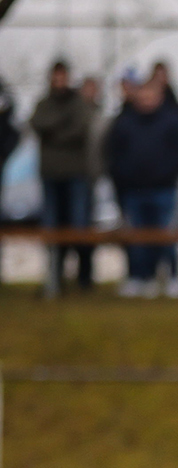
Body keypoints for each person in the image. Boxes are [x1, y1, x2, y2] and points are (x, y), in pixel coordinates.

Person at [105, 74, 178, 297]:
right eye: (142, 96)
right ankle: (140, 278)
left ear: (159, 96)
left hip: (164, 188)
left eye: (150, 95)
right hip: (133, 190)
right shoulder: (124, 121)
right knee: (136, 238)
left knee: (167, 235)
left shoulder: (172, 119)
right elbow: (113, 153)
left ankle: (172, 277)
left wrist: (168, 175)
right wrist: (126, 177)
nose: (146, 100)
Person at [31, 61, 99, 294]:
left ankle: (84, 278)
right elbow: (36, 123)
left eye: (62, 76)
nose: (59, 81)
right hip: (50, 175)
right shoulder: (44, 103)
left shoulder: (78, 103)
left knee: (80, 227)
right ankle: (54, 279)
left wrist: (52, 132)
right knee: (52, 229)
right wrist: (62, 123)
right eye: (55, 76)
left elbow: (79, 130)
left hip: (76, 175)